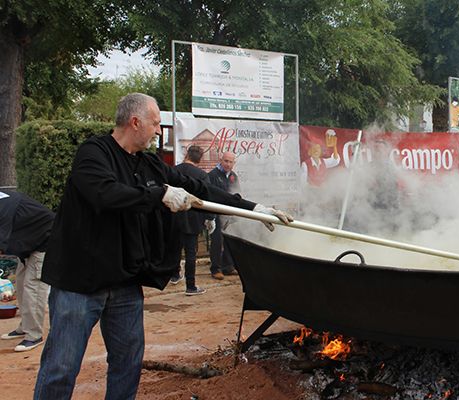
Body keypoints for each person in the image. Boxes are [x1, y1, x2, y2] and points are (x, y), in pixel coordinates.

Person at [33, 93, 292, 399]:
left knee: (128, 363)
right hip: (80, 283)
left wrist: (252, 208)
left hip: (125, 281)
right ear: (135, 121)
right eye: (155, 123)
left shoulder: (149, 163)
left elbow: (200, 189)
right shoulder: (94, 153)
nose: (158, 131)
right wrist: (158, 196)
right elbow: (105, 194)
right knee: (61, 367)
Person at [0, 190, 54, 352]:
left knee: (33, 289)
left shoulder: (3, 207)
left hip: (47, 241)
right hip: (28, 244)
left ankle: (33, 335)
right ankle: (25, 326)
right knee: (22, 285)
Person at [165, 145, 215, 295]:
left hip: (173, 215)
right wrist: (210, 218)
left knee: (174, 248)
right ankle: (190, 286)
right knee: (190, 253)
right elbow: (207, 197)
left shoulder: (173, 170)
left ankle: (174, 275)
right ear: (200, 159)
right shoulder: (201, 174)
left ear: (187, 154)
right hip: (193, 218)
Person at [207, 151, 241, 280]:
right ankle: (215, 269)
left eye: (230, 162)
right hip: (216, 213)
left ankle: (228, 267)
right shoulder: (212, 175)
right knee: (217, 242)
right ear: (221, 160)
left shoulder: (234, 176)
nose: (228, 164)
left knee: (229, 240)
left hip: (229, 214)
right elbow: (209, 195)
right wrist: (210, 217)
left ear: (234, 163)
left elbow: (237, 193)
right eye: (226, 161)